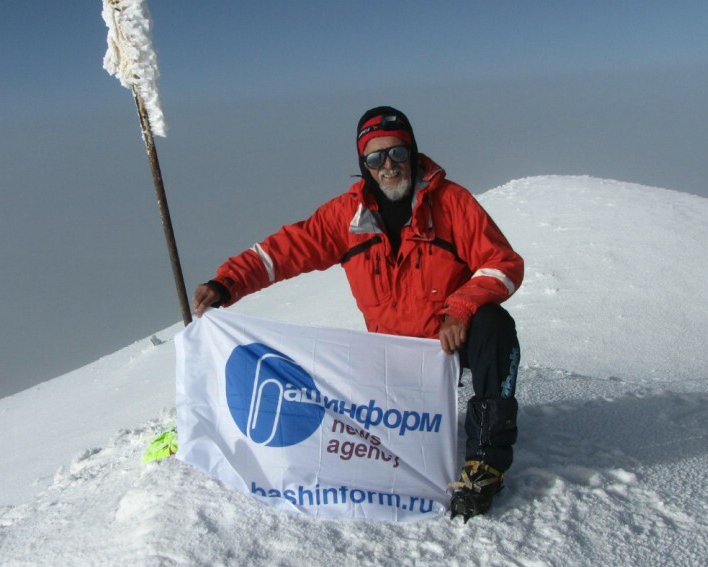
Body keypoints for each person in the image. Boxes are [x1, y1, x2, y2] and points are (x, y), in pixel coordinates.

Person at [192, 106, 523, 520]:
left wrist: (461, 307)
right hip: (389, 361)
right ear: (363, 164)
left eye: (397, 153)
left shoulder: (452, 204)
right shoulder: (348, 217)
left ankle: (485, 462)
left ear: (413, 152)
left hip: (446, 344)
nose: (389, 166)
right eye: (375, 157)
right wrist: (227, 283)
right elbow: (284, 251)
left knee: (495, 326)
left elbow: (503, 263)